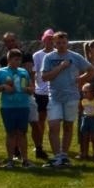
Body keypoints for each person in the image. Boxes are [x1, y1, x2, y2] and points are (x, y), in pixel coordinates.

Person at [36, 31, 90, 168]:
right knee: (53, 125)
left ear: (67, 43)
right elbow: (45, 77)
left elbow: (91, 70)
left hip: (71, 96)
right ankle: (57, 156)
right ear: (54, 43)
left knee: (68, 126)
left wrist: (80, 80)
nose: (61, 45)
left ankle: (64, 155)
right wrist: (61, 67)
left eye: (64, 42)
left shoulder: (75, 57)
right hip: (54, 96)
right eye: (58, 43)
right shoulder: (49, 58)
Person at [0, 48, 33, 167]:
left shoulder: (23, 72)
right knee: (10, 133)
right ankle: (10, 160)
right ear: (9, 60)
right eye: (15, 59)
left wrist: (29, 90)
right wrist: (3, 87)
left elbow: (30, 88)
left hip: (23, 106)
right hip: (8, 107)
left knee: (22, 133)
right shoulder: (1, 72)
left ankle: (25, 160)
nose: (18, 62)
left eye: (19, 59)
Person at [29, 29, 55, 161]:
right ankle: (39, 144)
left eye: (52, 39)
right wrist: (34, 87)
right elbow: (34, 72)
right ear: (43, 40)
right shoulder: (37, 55)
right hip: (41, 91)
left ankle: (54, 144)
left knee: (53, 120)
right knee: (40, 119)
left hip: (54, 91)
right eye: (48, 39)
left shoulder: (58, 54)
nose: (50, 41)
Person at [77, 82, 94, 160]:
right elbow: (80, 109)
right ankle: (85, 153)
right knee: (85, 138)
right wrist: (82, 114)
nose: (84, 94)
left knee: (93, 138)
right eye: (83, 92)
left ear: (92, 92)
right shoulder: (83, 100)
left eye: (86, 92)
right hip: (86, 119)